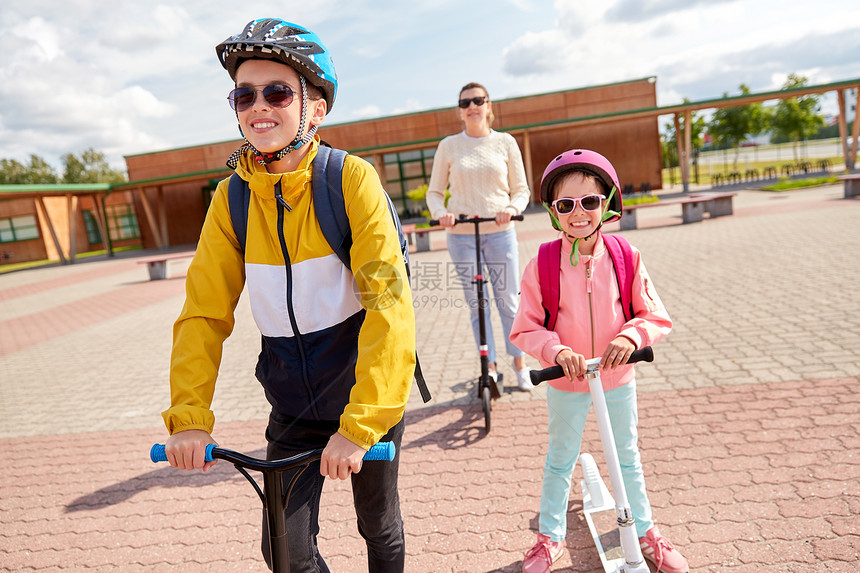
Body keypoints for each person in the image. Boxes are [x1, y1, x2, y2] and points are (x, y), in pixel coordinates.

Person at [161, 18, 415, 572]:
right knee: (285, 551)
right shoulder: (229, 201)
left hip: (363, 397)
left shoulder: (349, 181)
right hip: (293, 406)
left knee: (378, 524)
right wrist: (191, 419)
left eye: (277, 92)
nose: (260, 107)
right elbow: (203, 313)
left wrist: (361, 423)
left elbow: (390, 305)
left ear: (314, 108)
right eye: (244, 95)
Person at [509, 149, 689, 573]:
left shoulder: (626, 256)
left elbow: (654, 314)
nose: (579, 213)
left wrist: (631, 335)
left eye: (590, 202)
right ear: (553, 212)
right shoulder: (544, 263)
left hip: (617, 379)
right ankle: (548, 538)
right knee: (560, 459)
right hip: (567, 382)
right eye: (566, 205)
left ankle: (645, 531)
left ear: (606, 204)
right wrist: (556, 351)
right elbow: (525, 326)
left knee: (627, 457)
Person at [425, 82, 533, 391]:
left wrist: (511, 208)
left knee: (508, 302)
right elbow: (434, 193)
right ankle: (491, 367)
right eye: (465, 102)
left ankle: (519, 364)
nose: (472, 106)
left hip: (499, 233)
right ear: (460, 112)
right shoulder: (448, 146)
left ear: (488, 106)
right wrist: (440, 213)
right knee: (478, 304)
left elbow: (521, 189)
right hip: (461, 235)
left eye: (478, 100)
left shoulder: (506, 143)